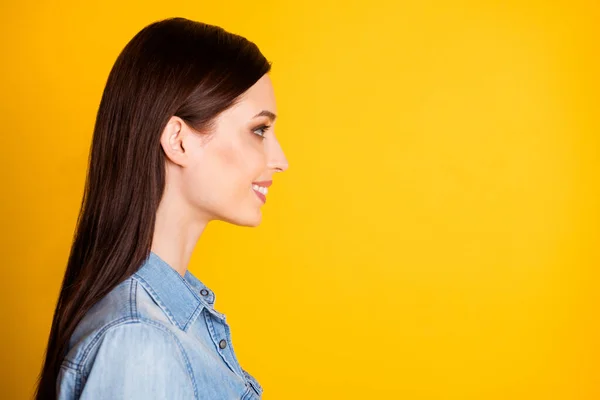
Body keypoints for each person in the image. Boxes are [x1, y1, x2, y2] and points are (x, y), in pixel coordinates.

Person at [34, 16, 289, 400]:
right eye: (259, 130)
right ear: (178, 141)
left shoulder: (164, 323)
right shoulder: (141, 343)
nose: (280, 159)